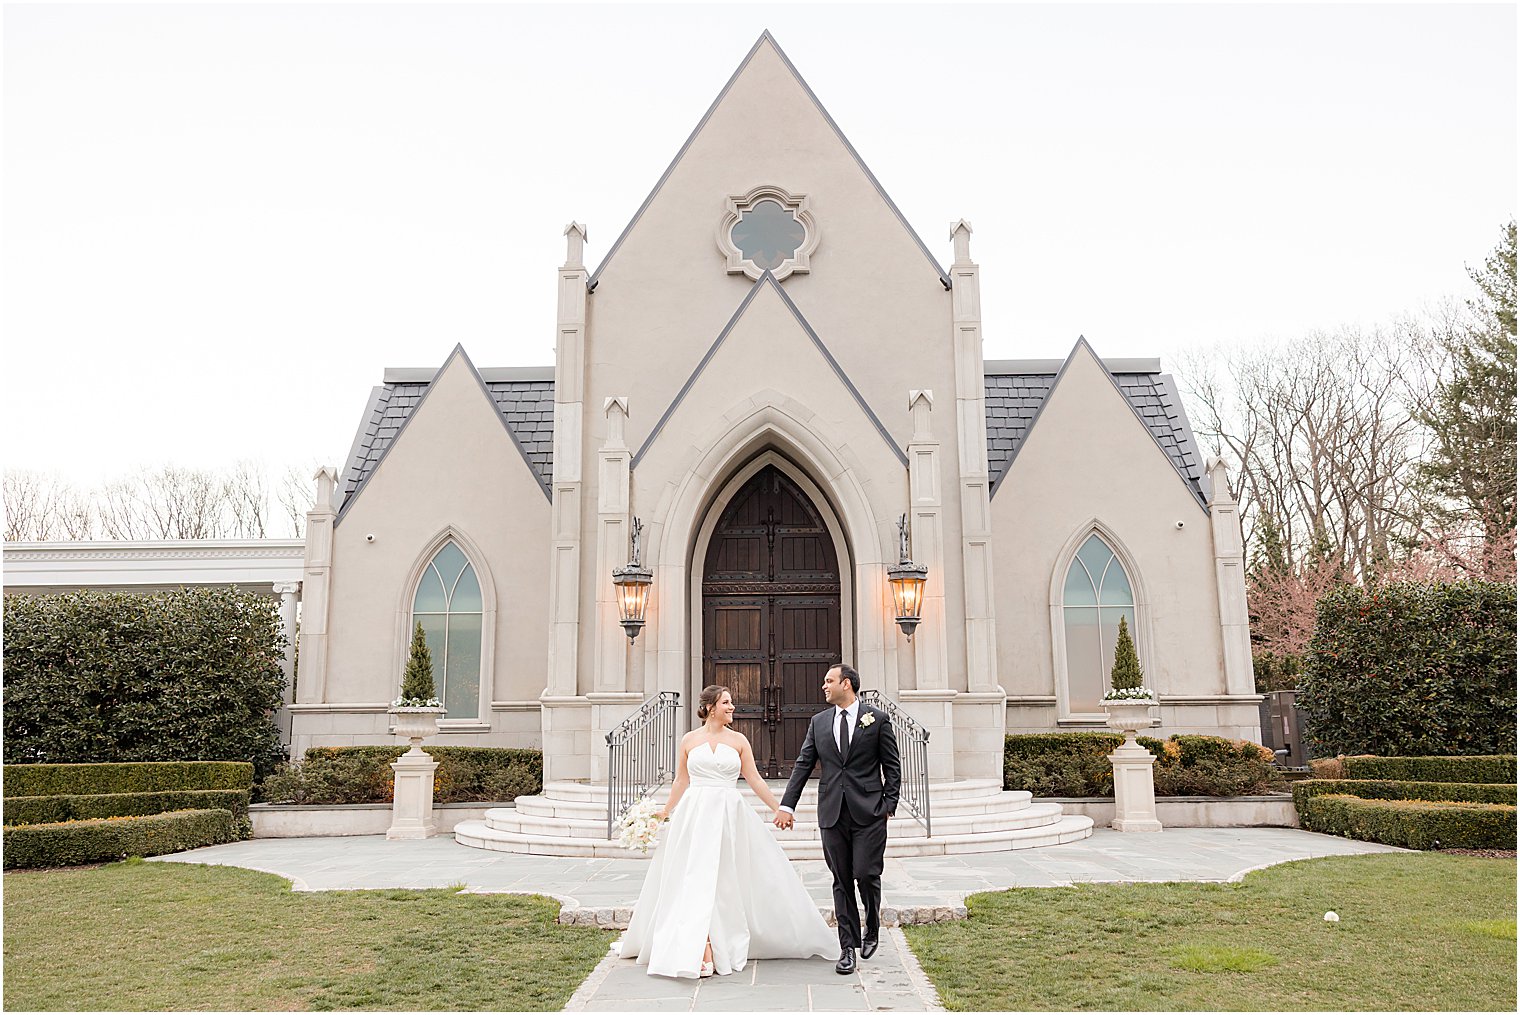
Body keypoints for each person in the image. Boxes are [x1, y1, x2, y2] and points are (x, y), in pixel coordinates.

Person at [619, 684, 838, 979]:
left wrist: (780, 808)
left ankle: (718, 939)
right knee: (694, 877)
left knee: (721, 879)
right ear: (711, 707)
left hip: (727, 814)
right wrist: (665, 811)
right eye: (726, 702)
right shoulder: (688, 740)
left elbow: (756, 780)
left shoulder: (739, 741)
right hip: (694, 816)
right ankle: (703, 944)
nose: (732, 707)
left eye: (731, 702)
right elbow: (681, 781)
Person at [775, 663, 900, 975]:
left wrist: (888, 803)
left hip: (869, 811)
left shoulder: (877, 719)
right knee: (841, 880)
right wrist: (787, 805)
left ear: (847, 683)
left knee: (866, 874)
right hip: (832, 812)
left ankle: (872, 924)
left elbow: (892, 765)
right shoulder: (818, 722)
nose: (824, 687)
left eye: (829, 681)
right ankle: (847, 947)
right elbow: (803, 765)